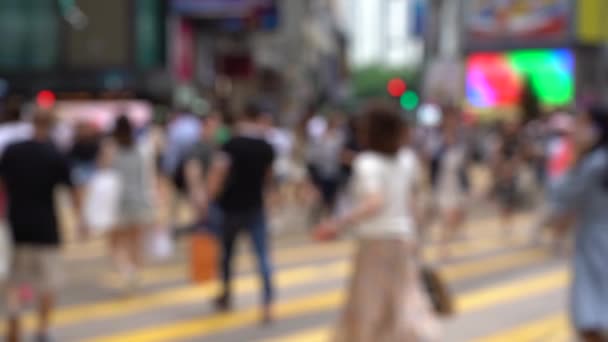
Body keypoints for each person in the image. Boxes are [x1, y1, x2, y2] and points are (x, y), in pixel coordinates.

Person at [314, 103, 439, 341]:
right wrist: (416, 237)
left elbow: (374, 202)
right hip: (402, 238)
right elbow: (412, 204)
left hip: (375, 240)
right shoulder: (407, 160)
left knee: (368, 305)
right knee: (401, 302)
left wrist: (337, 223)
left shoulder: (367, 162)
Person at [0, 110, 83, 342]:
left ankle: (14, 318)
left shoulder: (12, 151)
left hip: (15, 224)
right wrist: (80, 220)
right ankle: (43, 329)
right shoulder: (54, 154)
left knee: (14, 279)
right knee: (47, 282)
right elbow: (72, 189)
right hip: (47, 227)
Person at [547, 106, 608, 342]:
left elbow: (562, 193)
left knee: (590, 318)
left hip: (596, 247)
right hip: (594, 243)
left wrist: (574, 157)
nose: (575, 130)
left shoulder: (594, 164)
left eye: (582, 123)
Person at [213, 103, 276, 323]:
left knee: (228, 255)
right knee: (262, 257)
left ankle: (227, 295)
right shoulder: (266, 146)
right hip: (255, 207)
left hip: (230, 207)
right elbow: (269, 178)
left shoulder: (230, 144)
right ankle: (267, 303)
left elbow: (219, 173)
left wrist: (209, 197)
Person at [106, 115, 154, 289]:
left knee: (116, 243)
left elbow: (103, 173)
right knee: (136, 242)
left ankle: (127, 271)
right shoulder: (141, 149)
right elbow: (147, 177)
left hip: (118, 203)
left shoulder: (111, 150)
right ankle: (135, 272)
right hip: (140, 201)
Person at [430, 110, 471, 260]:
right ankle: (443, 247)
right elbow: (431, 164)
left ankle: (447, 241)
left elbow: (465, 168)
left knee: (457, 216)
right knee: (446, 218)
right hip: (443, 186)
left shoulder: (461, 142)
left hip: (457, 186)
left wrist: (467, 187)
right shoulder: (436, 143)